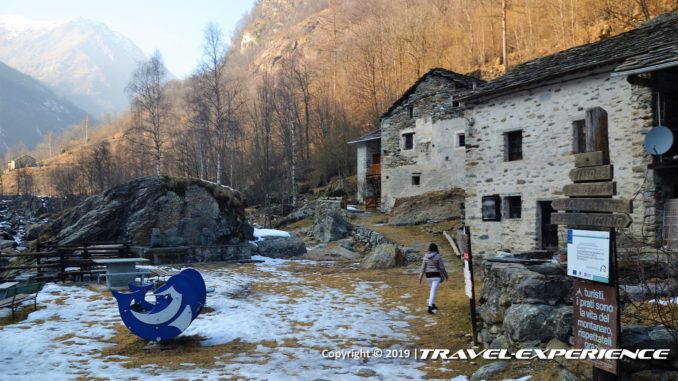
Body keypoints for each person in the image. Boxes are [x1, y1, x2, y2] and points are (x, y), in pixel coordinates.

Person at [418, 243, 449, 314]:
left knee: (432, 290)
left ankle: (433, 304)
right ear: (435, 249)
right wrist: (446, 275)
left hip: (428, 276)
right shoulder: (438, 256)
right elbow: (442, 268)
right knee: (433, 291)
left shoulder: (425, 256)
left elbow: (423, 268)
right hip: (436, 276)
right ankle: (429, 307)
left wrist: (420, 278)